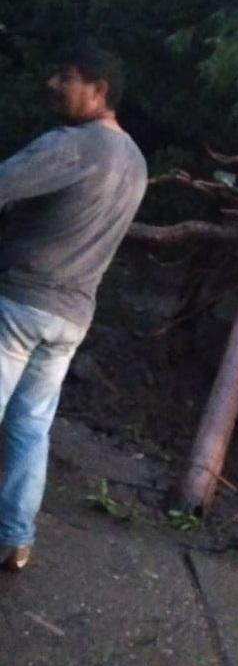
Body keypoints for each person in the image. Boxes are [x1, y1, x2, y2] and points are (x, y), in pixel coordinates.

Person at [0, 42, 147, 571]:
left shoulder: (73, 145)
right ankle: (15, 538)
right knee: (30, 429)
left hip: (20, 304)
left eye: (65, 76)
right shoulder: (135, 162)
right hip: (72, 318)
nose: (52, 85)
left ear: (99, 90)